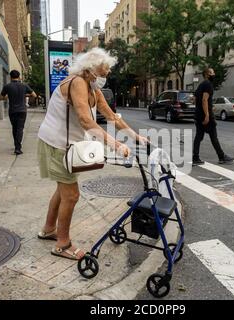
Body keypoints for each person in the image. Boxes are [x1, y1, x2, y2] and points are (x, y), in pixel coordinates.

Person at [37, 48, 148, 260]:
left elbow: (111, 116)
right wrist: (115, 145)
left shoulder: (91, 87)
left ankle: (49, 229)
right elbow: (86, 120)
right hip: (57, 144)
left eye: (106, 74)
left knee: (63, 190)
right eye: (102, 73)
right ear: (89, 69)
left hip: (66, 145)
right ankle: (62, 244)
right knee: (71, 194)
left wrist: (136, 137)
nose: (104, 79)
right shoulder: (77, 82)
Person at [193, 68, 234, 166]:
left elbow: (194, 99)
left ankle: (195, 157)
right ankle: (222, 157)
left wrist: (205, 108)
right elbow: (204, 100)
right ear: (207, 75)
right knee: (213, 137)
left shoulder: (201, 85)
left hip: (198, 114)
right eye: (212, 72)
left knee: (198, 137)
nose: (214, 74)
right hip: (205, 116)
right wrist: (207, 114)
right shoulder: (208, 84)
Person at [0, 70, 37, 155]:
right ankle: (17, 147)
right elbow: (34, 95)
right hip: (22, 110)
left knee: (14, 128)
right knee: (20, 129)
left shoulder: (7, 86)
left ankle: (16, 145)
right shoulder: (24, 86)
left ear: (10, 77)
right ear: (19, 76)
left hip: (12, 110)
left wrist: (8, 96)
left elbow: (1, 97)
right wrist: (25, 95)